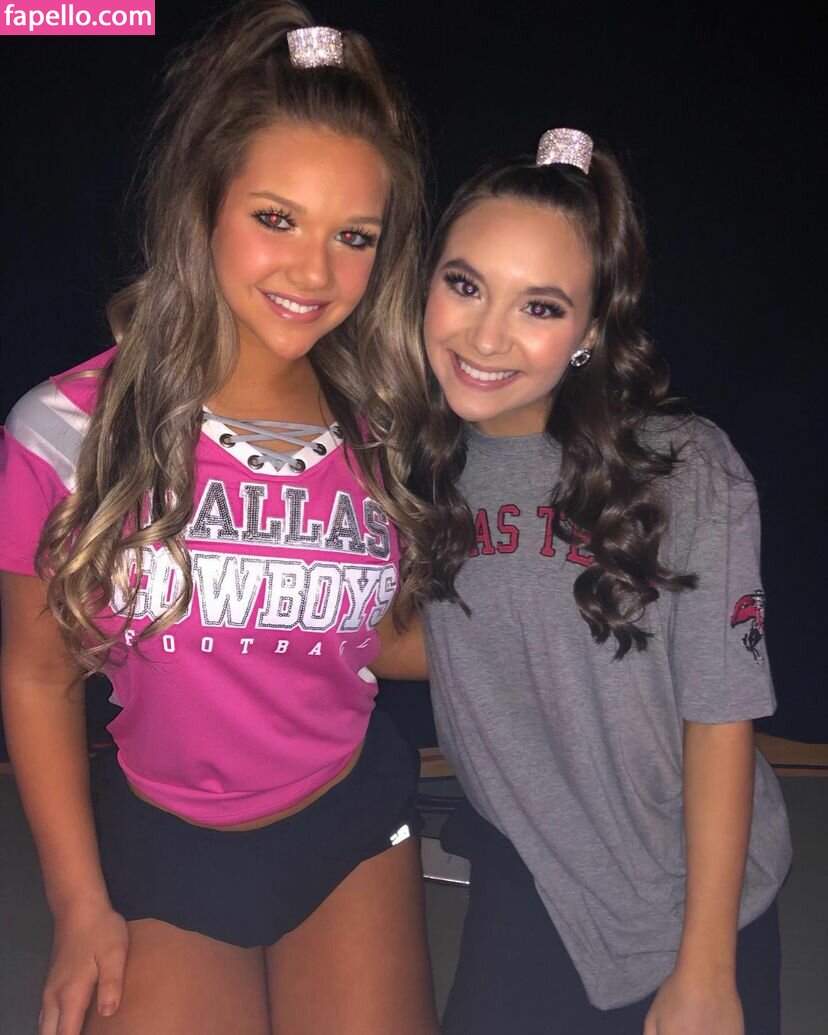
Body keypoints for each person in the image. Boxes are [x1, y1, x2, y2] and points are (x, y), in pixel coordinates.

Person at [0, 3, 439, 1033]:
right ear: (204, 202)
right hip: (164, 844)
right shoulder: (66, 432)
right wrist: (77, 905)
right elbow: (38, 673)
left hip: (348, 824)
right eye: (276, 218)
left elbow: (377, 634)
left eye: (354, 237)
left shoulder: (381, 426)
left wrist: (566, 628)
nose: (314, 273)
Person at [406, 128, 792, 1033]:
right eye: (465, 284)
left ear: (588, 330)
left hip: (695, 891)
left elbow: (720, 714)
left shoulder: (683, 468)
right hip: (531, 877)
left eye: (539, 306)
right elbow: (442, 641)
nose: (486, 335)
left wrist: (707, 967)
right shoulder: (416, 467)